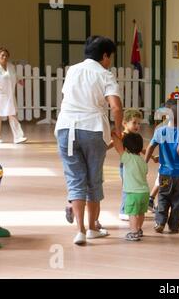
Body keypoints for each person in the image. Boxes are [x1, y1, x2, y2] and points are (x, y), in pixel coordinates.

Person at [55, 36, 123, 245]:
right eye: (109, 57)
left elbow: (68, 96)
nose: (109, 61)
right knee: (94, 179)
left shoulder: (72, 70)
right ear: (104, 56)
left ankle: (80, 231)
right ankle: (93, 227)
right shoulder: (105, 74)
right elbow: (117, 107)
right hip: (93, 129)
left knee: (75, 180)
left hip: (66, 128)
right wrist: (118, 130)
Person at [144, 99, 179, 234]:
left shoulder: (160, 131)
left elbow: (150, 147)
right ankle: (174, 226)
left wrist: (145, 162)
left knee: (163, 197)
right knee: (178, 201)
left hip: (165, 173)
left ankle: (160, 222)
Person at [111, 131, 149, 241]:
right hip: (145, 192)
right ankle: (139, 229)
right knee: (141, 213)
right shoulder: (142, 161)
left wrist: (114, 135)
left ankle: (134, 232)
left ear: (126, 148)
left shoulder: (127, 158)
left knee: (132, 214)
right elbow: (145, 172)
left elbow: (118, 147)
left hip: (133, 193)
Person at [0, 47, 27, 144]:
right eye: (2, 55)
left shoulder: (10, 66)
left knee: (12, 115)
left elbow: (14, 76)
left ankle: (18, 137)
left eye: (6, 55)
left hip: (9, 95)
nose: (4, 57)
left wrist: (19, 80)